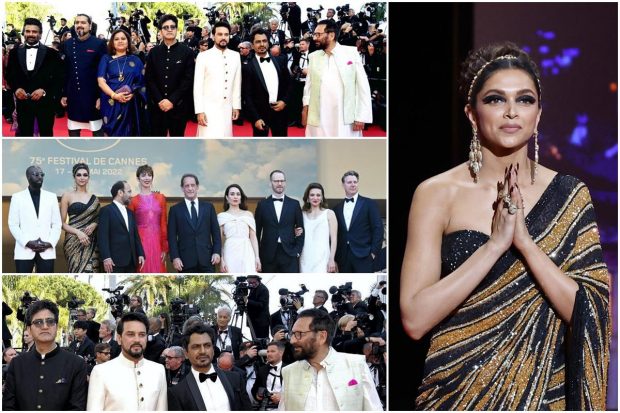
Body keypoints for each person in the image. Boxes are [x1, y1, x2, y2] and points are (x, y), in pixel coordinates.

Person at [400, 42, 610, 410]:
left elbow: (590, 309)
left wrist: (526, 245)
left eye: (525, 100)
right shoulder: (436, 193)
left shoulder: (570, 195)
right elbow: (415, 319)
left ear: (539, 114)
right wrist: (494, 245)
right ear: (471, 113)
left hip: (547, 396)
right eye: (496, 99)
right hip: (456, 395)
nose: (512, 112)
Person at [279, 309, 382, 410]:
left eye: (299, 334)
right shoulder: (289, 372)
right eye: (292, 334)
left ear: (322, 336)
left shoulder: (356, 366)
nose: (292, 341)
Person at [3, 300, 88, 410]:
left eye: (50, 321)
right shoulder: (17, 364)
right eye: (38, 322)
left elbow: (77, 408)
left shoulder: (76, 364)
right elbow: (8, 407)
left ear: (56, 326)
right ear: (29, 329)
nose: (45, 326)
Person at [302, 19, 372, 137]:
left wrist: (361, 116)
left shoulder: (350, 53)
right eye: (314, 34)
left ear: (331, 35)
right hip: (319, 116)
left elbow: (362, 86)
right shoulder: (313, 57)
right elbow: (308, 86)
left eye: (318, 34)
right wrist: (305, 109)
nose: (314, 38)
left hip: (344, 116)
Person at [87, 312, 167, 410]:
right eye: (130, 334)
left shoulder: (158, 370)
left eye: (142, 335)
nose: (137, 339)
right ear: (119, 339)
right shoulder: (101, 372)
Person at [167, 323, 252, 411]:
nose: (202, 351)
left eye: (207, 345)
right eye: (196, 347)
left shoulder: (235, 379)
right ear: (186, 353)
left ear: (213, 349)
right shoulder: (177, 392)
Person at [5, 18, 64, 136]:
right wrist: (16, 89)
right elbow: (10, 75)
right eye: (28, 31)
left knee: (46, 136)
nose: (31, 34)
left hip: (45, 105)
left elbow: (59, 78)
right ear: (23, 33)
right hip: (23, 104)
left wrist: (44, 91)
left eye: (34, 31)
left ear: (40, 34)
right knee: (25, 137)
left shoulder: (52, 53)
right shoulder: (14, 53)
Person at [145, 14, 195, 136]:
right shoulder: (153, 52)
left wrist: (172, 100)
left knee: (177, 144)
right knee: (157, 144)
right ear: (160, 31)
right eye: (165, 27)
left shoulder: (186, 52)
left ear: (176, 30)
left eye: (172, 27)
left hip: (179, 107)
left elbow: (188, 80)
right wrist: (160, 100)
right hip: (157, 107)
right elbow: (150, 79)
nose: (169, 29)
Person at [8, 165, 62, 273]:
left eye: (42, 174)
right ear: (28, 177)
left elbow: (57, 224)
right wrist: (27, 242)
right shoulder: (17, 197)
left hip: (47, 250)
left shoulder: (51, 197)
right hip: (24, 250)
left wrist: (49, 243)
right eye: (36, 174)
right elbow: (13, 224)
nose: (40, 177)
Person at [60, 14, 107, 136]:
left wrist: (101, 96)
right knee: (73, 132)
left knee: (98, 132)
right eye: (77, 22)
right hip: (73, 95)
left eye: (83, 22)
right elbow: (65, 71)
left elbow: (104, 72)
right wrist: (64, 94)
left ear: (90, 25)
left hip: (93, 96)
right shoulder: (67, 44)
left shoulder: (99, 44)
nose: (79, 25)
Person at [193, 21, 241, 137]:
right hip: (208, 109)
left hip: (227, 108)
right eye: (220, 34)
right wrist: (199, 110)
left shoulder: (235, 56)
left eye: (226, 34)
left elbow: (236, 83)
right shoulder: (203, 56)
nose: (223, 37)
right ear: (213, 36)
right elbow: (197, 86)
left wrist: (236, 106)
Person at [97, 29, 148, 136]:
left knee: (130, 134)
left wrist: (133, 93)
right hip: (110, 103)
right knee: (112, 135)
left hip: (131, 103)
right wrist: (114, 95)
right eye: (116, 39)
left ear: (128, 42)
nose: (120, 41)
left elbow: (142, 82)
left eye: (123, 39)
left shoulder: (136, 60)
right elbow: (101, 81)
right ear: (112, 42)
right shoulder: (106, 59)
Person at [241, 28, 291, 137]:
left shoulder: (280, 61)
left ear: (268, 43)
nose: (262, 44)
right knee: (260, 148)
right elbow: (247, 95)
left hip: (280, 112)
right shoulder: (247, 67)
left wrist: (284, 101)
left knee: (282, 147)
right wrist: (255, 118)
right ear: (252, 46)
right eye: (258, 42)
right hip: (260, 115)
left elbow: (289, 84)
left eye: (264, 41)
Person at [168, 174, 222, 272]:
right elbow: (172, 237)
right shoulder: (175, 210)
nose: (190, 188)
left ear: (197, 187)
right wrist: (175, 257)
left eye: (192, 185)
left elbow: (216, 233)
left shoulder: (209, 207)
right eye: (187, 186)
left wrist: (217, 252)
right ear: (182, 188)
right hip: (184, 262)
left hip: (208, 260)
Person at [333, 170, 383, 273]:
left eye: (355, 182)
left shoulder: (369, 203)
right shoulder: (337, 208)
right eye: (349, 182)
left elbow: (378, 228)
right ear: (343, 185)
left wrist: (373, 252)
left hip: (364, 255)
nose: (353, 185)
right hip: (343, 257)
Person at [255, 170, 304, 273]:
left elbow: (301, 230)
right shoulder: (262, 205)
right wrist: (258, 254)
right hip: (267, 255)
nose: (279, 184)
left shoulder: (294, 204)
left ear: (285, 183)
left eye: (282, 181)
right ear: (270, 183)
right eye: (276, 181)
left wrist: (297, 251)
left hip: (290, 253)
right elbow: (257, 232)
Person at [127, 164, 169, 273]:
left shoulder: (161, 198)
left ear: (152, 178)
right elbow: (131, 227)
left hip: (157, 241)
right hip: (141, 241)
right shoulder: (133, 201)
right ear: (138, 178)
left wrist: (165, 247)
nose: (147, 178)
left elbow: (163, 223)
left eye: (149, 175)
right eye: (143, 175)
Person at [97, 180, 145, 273]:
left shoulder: (130, 213)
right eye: (129, 191)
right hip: (114, 262)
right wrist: (106, 257)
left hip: (132, 261)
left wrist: (140, 253)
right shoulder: (106, 211)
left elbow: (135, 235)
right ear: (120, 193)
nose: (131, 195)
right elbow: (102, 237)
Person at [60, 163, 100, 273]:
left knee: (92, 271)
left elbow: (99, 219)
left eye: (85, 175)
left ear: (88, 177)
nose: (82, 178)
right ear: (74, 177)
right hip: (73, 241)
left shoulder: (94, 199)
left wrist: (94, 224)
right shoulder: (67, 196)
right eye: (79, 175)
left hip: (90, 242)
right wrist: (78, 233)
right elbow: (62, 223)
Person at [218, 184, 261, 273]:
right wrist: (222, 259)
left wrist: (257, 257)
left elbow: (253, 237)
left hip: (247, 249)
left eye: (238, 194)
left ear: (241, 197)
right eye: (232, 194)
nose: (235, 197)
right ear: (227, 197)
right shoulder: (221, 216)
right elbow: (219, 241)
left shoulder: (248, 214)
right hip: (229, 250)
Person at [299, 183, 337, 273]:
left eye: (318, 195)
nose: (315, 198)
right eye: (312, 195)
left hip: (323, 259)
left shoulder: (329, 214)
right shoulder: (301, 214)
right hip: (305, 258)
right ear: (307, 198)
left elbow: (334, 239)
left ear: (322, 197)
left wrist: (332, 259)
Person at [251, 341, 287, 409]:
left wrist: (283, 398)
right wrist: (257, 396)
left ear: (281, 353)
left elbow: (296, 393)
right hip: (264, 408)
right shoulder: (262, 370)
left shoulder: (289, 370)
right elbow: (254, 389)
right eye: (267, 352)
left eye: (272, 351)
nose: (269, 354)